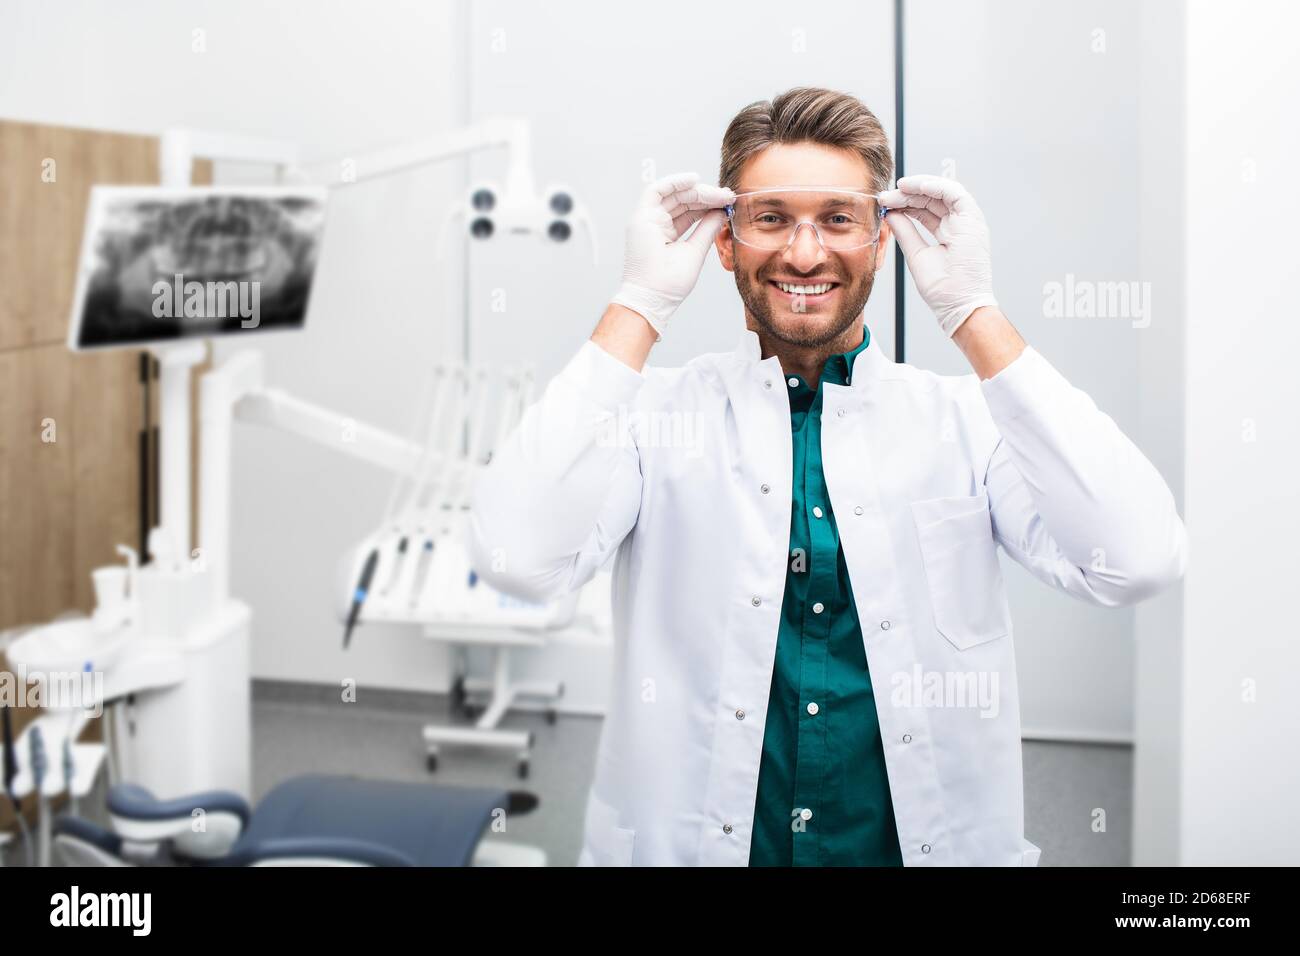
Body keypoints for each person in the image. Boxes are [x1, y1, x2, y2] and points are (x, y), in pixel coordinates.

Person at [469, 87, 1187, 866]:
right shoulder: (654, 420)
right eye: (772, 218)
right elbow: (516, 560)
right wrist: (638, 304)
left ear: (881, 239)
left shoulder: (965, 423)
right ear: (725, 241)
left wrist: (973, 311)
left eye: (838, 219)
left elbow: (1138, 559)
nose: (805, 254)